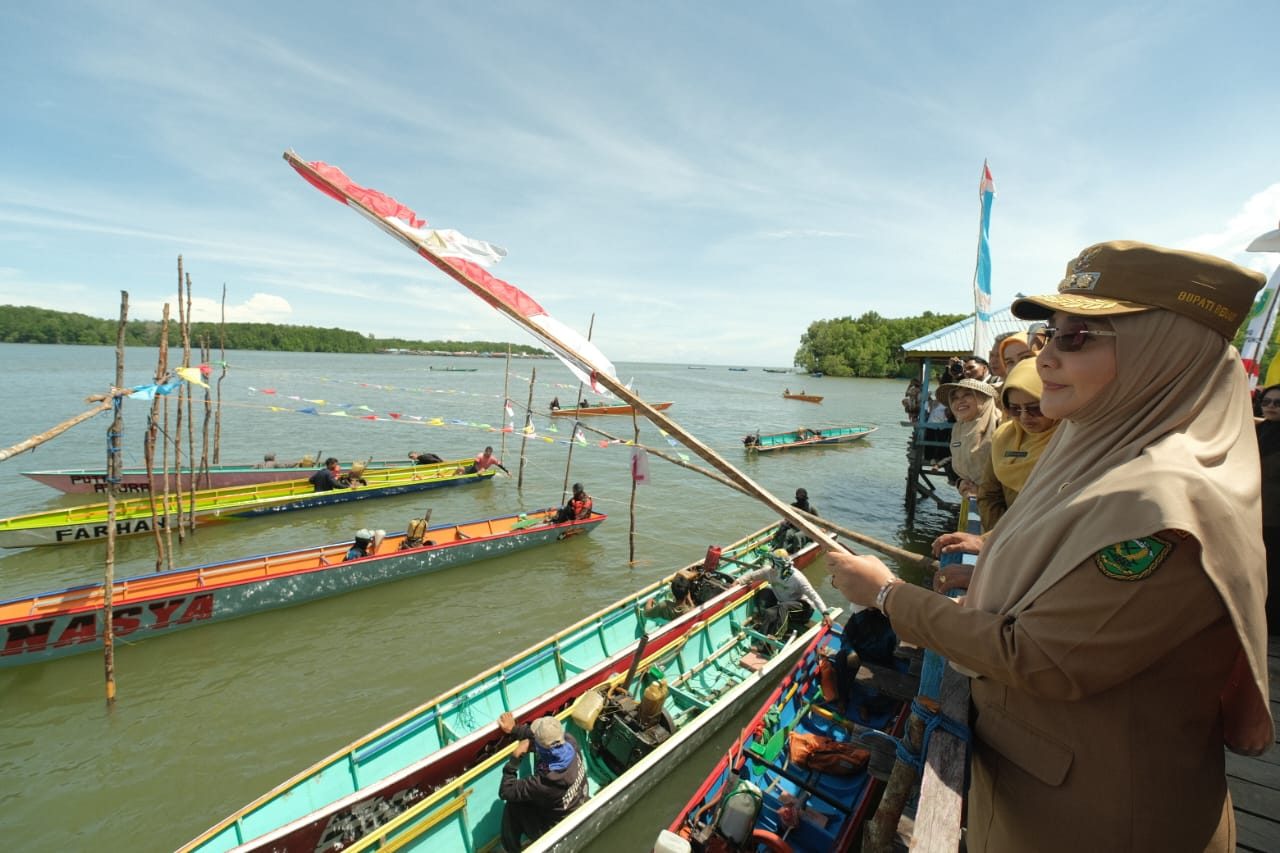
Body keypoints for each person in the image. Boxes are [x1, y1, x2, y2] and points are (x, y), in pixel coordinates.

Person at [828, 241, 1272, 852]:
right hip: (1036, 786)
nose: (1048, 356)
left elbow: (1040, 660)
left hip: (1094, 816)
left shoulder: (1168, 502)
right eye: (1049, 334)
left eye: (1079, 337)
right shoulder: (1106, 452)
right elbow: (1080, 577)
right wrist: (996, 559)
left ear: (1161, 354)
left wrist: (885, 593)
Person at [975, 357, 1060, 531]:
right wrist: (1000, 537)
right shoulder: (1003, 437)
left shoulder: (1072, 440)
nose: (1024, 417)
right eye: (1014, 409)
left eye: (1035, 408)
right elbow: (989, 495)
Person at [496, 712, 589, 850]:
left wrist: (515, 759)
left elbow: (505, 791)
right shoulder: (570, 742)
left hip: (558, 829)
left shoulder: (545, 783)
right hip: (580, 805)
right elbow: (544, 743)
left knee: (513, 806)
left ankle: (511, 849)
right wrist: (515, 729)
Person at [737, 548, 833, 638]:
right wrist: (738, 581)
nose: (771, 564)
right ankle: (762, 639)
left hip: (802, 609)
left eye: (773, 562)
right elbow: (751, 576)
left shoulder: (797, 578)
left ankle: (777, 636)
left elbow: (813, 595)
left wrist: (825, 613)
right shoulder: (769, 571)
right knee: (768, 607)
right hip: (784, 606)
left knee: (784, 607)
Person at [936, 377, 1000, 498]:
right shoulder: (958, 429)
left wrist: (982, 491)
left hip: (1001, 503)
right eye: (955, 398)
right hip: (971, 498)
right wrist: (960, 482)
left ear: (983, 398)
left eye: (967, 395)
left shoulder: (1002, 425)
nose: (960, 401)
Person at [1257, 383, 1280, 633]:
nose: (1271, 406)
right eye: (1266, 401)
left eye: (1277, 403)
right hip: (1255, 512)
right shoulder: (1260, 430)